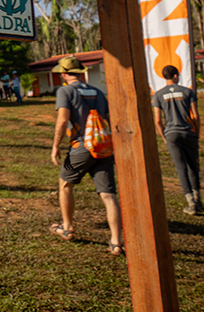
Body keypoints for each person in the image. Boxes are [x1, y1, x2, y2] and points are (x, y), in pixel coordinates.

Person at [49, 56, 124, 256]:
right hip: (103, 149)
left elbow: (63, 119)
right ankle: (116, 242)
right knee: (108, 195)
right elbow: (109, 120)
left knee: (65, 185)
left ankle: (67, 227)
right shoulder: (98, 93)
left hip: (80, 150)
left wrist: (56, 145)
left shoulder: (65, 91)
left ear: (64, 74)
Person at [153, 64, 202, 214]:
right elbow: (195, 115)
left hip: (171, 134)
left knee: (181, 168)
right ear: (175, 76)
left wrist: (164, 136)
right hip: (188, 132)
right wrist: (197, 133)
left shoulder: (158, 95)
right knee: (193, 166)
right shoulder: (188, 92)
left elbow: (157, 120)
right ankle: (198, 199)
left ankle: (190, 202)